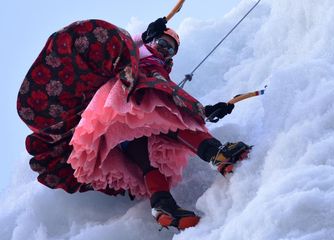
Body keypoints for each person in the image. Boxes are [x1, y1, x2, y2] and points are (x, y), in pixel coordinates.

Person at [17, 18, 251, 230]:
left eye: (170, 49)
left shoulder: (160, 74)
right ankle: (217, 153)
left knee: (150, 162)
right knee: (179, 124)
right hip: (125, 106)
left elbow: (175, 98)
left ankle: (162, 206)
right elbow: (129, 45)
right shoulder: (136, 59)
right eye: (163, 43)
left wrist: (205, 111)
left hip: (125, 131)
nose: (164, 50)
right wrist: (146, 36)